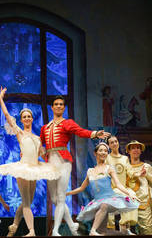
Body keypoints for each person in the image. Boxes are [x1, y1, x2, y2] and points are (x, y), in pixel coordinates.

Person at [0, 87, 60, 236]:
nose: (27, 118)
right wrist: (0, 98)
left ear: (32, 118)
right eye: (24, 116)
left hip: (35, 168)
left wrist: (55, 165)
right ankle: (31, 231)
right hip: (23, 168)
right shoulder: (20, 132)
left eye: (29, 116)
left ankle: (14, 225)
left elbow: (43, 155)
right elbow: (6, 115)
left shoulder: (38, 138)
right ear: (22, 119)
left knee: (27, 203)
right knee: (26, 201)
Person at [40, 95, 110, 236]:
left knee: (60, 197)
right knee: (54, 199)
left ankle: (55, 230)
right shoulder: (45, 127)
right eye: (56, 104)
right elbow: (40, 144)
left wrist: (95, 134)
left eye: (61, 104)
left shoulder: (67, 123)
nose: (59, 106)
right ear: (52, 107)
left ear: (64, 108)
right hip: (50, 163)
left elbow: (80, 132)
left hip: (63, 161)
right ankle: (72, 225)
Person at [66, 142, 139, 236]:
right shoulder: (90, 171)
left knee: (104, 205)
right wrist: (66, 193)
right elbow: (81, 188)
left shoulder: (109, 168)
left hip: (110, 199)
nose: (103, 152)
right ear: (95, 153)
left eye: (105, 151)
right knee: (103, 232)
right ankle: (124, 233)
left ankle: (92, 231)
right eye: (101, 150)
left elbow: (118, 185)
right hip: (97, 201)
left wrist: (130, 193)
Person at [124, 140, 152, 235]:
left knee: (147, 232)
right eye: (133, 148)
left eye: (138, 148)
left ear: (141, 151)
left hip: (143, 203)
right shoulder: (125, 168)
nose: (136, 150)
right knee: (127, 232)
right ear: (128, 151)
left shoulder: (146, 167)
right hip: (127, 204)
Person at [104, 135, 134, 234]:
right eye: (111, 142)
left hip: (123, 189)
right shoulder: (107, 158)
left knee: (130, 197)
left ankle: (125, 228)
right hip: (111, 189)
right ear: (108, 146)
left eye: (116, 141)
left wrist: (138, 173)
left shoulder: (125, 158)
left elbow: (130, 172)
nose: (114, 144)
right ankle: (112, 230)